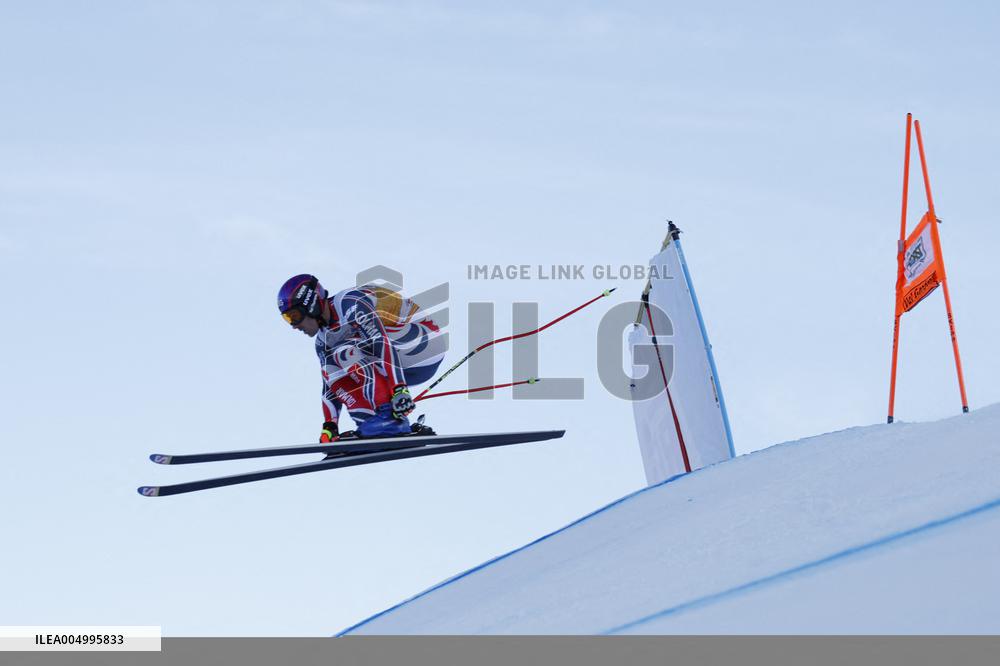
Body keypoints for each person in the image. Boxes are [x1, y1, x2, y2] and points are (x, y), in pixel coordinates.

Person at [277, 274, 445, 441]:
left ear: (311, 305)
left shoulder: (350, 304)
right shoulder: (322, 340)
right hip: (399, 362)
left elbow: (381, 343)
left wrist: (399, 389)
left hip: (424, 341)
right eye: (288, 319)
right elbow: (330, 386)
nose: (294, 326)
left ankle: (389, 419)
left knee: (345, 350)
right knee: (330, 367)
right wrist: (330, 427)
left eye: (294, 316)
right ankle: (371, 422)